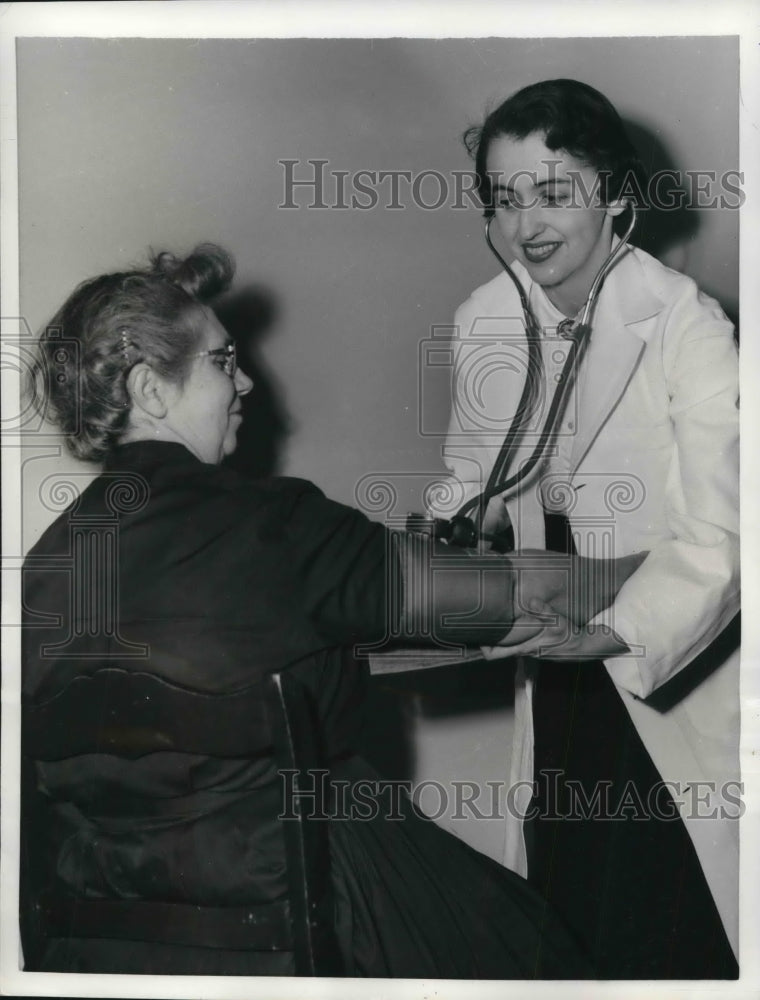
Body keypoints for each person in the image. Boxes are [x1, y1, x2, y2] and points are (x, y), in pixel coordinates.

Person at [20, 243, 645, 978]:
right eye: (222, 362)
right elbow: (525, 594)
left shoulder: (49, 565)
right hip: (298, 907)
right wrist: (669, 568)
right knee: (547, 952)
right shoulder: (274, 525)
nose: (247, 379)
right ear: (150, 391)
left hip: (113, 942)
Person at [432, 79, 739, 978]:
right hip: (557, 648)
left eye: (555, 193)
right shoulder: (483, 319)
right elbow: (474, 476)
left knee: (663, 904)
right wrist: (443, 536)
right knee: (568, 895)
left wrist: (613, 631)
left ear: (616, 197)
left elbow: (726, 532)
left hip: (663, 648)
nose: (527, 223)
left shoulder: (687, 323)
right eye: (504, 197)